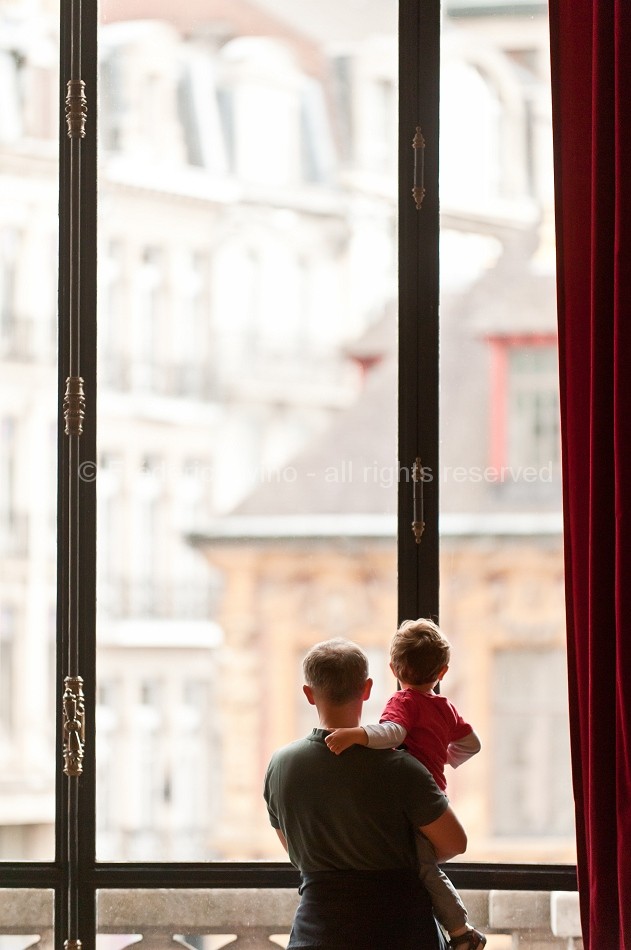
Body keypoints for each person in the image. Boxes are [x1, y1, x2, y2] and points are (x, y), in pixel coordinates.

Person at [263, 637, 469, 950]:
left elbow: (296, 853)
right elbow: (455, 842)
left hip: (318, 933)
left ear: (308, 694)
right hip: (402, 933)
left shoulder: (281, 766)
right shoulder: (402, 768)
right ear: (368, 689)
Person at [325, 618, 485, 949]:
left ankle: (461, 932)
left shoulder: (403, 702)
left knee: (424, 868)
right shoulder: (445, 707)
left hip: (412, 800)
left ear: (393, 669)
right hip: (434, 791)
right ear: (442, 672)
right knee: (418, 863)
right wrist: (444, 757)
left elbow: (393, 733)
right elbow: (472, 745)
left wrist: (358, 734)